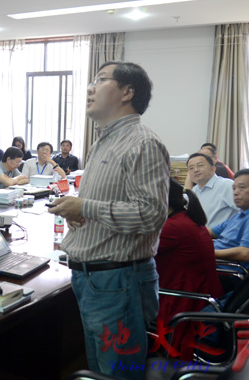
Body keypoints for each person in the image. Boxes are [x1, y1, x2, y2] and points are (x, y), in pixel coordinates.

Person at [49, 61, 170, 380]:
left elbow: (151, 214)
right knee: (100, 369)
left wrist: (87, 208)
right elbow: (107, 204)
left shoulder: (142, 143)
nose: (90, 88)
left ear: (127, 92)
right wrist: (79, 215)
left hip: (118, 280)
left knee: (117, 374)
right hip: (92, 278)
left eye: (100, 80)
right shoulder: (103, 141)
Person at [155, 178, 223, 360]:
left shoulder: (173, 227)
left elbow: (132, 251)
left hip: (182, 302)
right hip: (197, 296)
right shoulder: (184, 218)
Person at [186, 152, 238, 228]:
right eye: (191, 168)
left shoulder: (226, 185)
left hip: (223, 234)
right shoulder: (195, 190)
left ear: (213, 169)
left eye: (200, 165)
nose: (196, 170)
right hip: (202, 234)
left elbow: (246, 212)